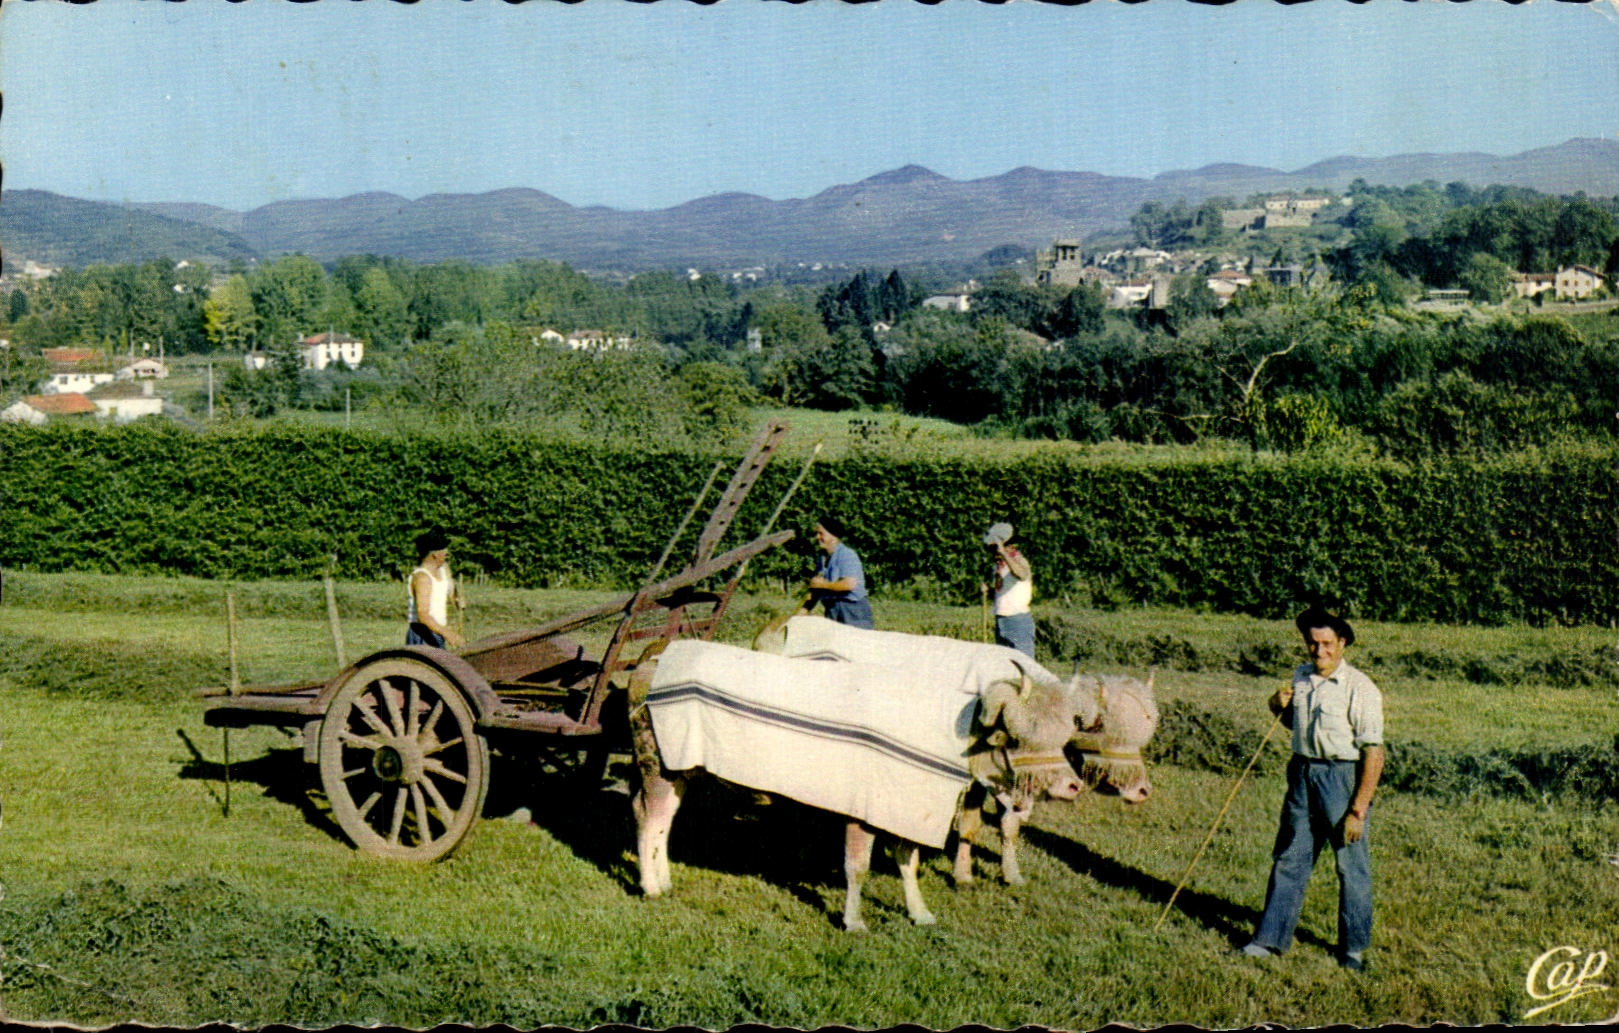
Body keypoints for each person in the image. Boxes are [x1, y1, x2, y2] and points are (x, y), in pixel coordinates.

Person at [1241, 605, 1384, 972]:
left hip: (1341, 779)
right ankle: (1269, 939)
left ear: (1343, 643)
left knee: (1350, 866)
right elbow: (1298, 724)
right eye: (1312, 643)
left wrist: (1357, 810)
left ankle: (1352, 950)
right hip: (1301, 775)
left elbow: (1374, 752)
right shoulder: (1301, 677)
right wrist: (1278, 707)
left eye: (1326, 644)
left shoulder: (1361, 688)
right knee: (1290, 857)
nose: (1318, 652)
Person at [808, 517, 873, 630]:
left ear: (833, 536)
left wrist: (822, 585)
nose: (817, 537)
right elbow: (815, 590)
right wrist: (799, 614)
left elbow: (849, 584)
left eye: (821, 534)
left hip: (852, 611)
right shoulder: (822, 559)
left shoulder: (846, 555)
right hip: (832, 610)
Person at [406, 529, 465, 650]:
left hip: (437, 632)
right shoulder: (422, 578)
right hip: (422, 635)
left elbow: (451, 591)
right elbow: (423, 615)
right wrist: (448, 634)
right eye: (444, 551)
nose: (446, 554)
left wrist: (458, 600)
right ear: (435, 555)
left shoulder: (444, 568)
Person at [983, 522, 1034, 658]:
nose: (993, 551)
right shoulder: (998, 565)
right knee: (1004, 663)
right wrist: (988, 590)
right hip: (1001, 619)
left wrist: (1005, 555)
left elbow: (1022, 575)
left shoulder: (1019, 560)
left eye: (995, 547)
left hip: (1017, 619)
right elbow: (1002, 591)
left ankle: (1026, 681)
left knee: (1024, 664)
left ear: (1007, 545)